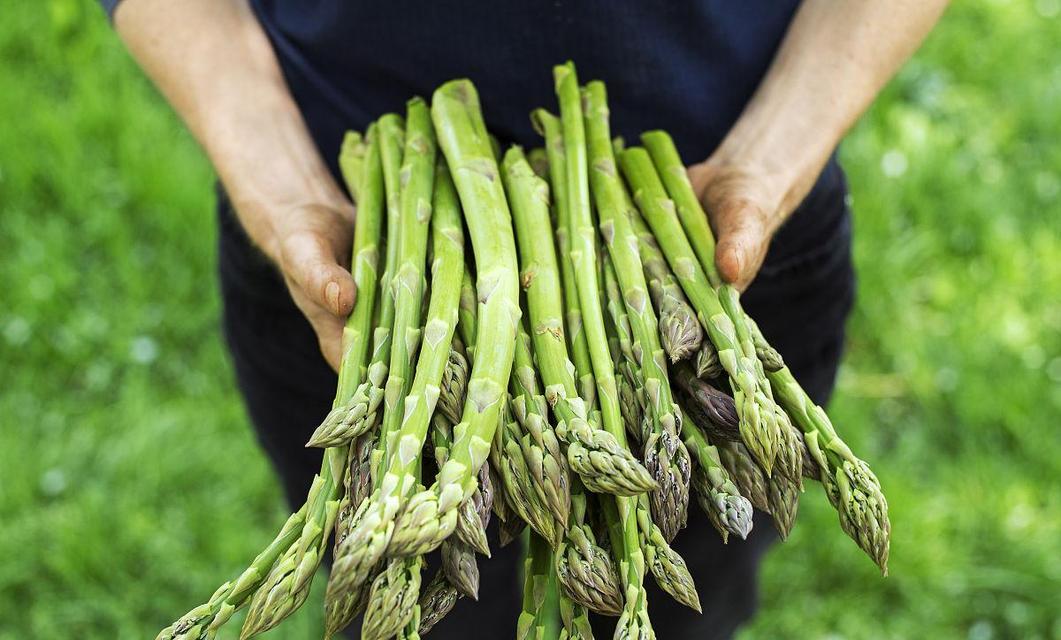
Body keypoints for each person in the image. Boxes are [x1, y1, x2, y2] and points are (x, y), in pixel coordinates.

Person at [100, 1, 947, 637]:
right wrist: (272, 173)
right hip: (357, 252)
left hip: (700, 248)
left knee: (682, 614)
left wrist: (770, 159)